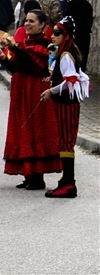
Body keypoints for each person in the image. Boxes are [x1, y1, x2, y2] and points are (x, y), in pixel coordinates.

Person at [0, 9, 62, 190]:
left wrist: (15, 48)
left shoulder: (46, 45)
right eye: (26, 21)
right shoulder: (25, 42)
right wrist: (4, 58)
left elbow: (35, 66)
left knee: (35, 129)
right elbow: (17, 66)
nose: (27, 24)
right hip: (22, 89)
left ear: (42, 25)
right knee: (21, 128)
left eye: (32, 21)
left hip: (35, 90)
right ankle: (28, 174)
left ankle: (38, 176)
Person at [40, 16, 90, 198]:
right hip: (66, 103)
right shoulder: (66, 53)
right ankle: (66, 180)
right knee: (64, 142)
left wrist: (51, 91)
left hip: (66, 104)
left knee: (66, 143)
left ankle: (69, 184)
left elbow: (70, 80)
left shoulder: (66, 55)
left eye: (57, 33)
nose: (53, 36)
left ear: (66, 35)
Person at [64, 0, 93, 71]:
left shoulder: (72, 4)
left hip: (75, 35)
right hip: (85, 36)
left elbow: (68, 20)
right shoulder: (87, 5)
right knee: (82, 59)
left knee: (73, 57)